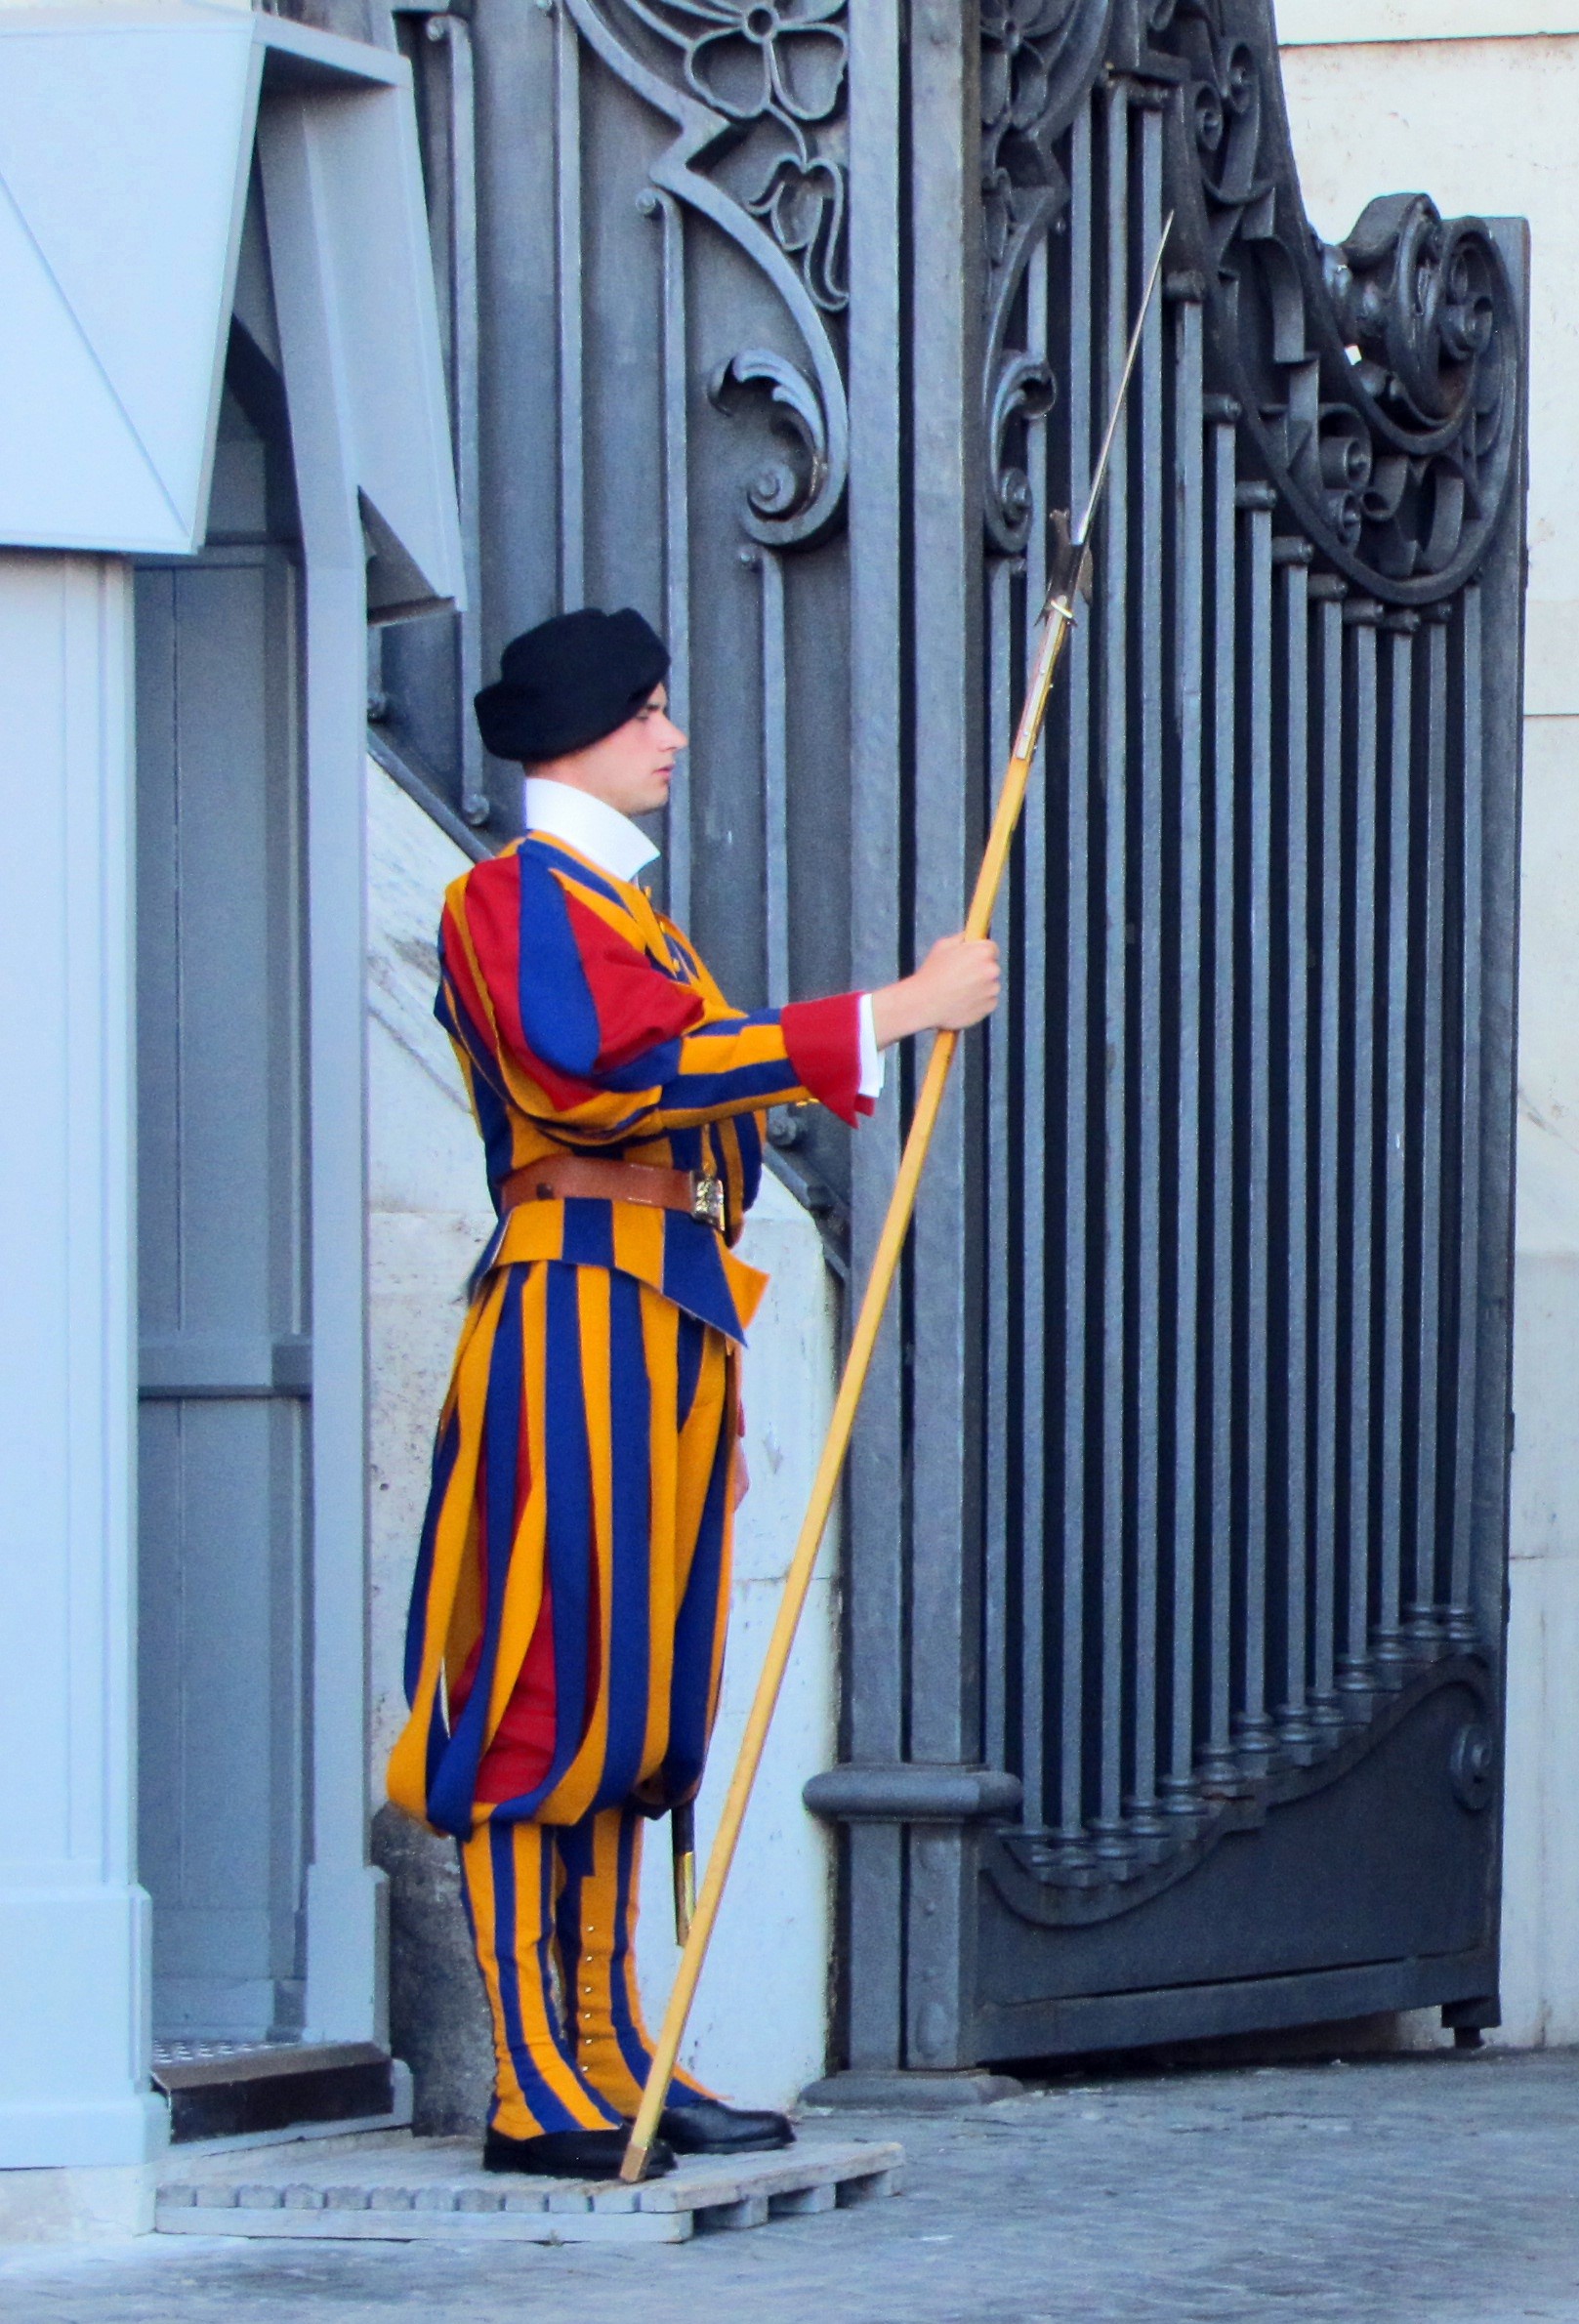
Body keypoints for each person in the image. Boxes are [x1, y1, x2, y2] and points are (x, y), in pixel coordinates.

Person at [390, 609, 1002, 2179]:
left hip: (657, 1320)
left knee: (639, 1703)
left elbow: (694, 1079)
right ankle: (539, 2086)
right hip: (575, 1311)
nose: (672, 737)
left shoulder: (621, 913)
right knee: (551, 1684)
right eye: (648, 712)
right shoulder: (507, 898)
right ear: (582, 730)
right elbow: (602, 1073)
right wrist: (881, 1017)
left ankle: (613, 2061)